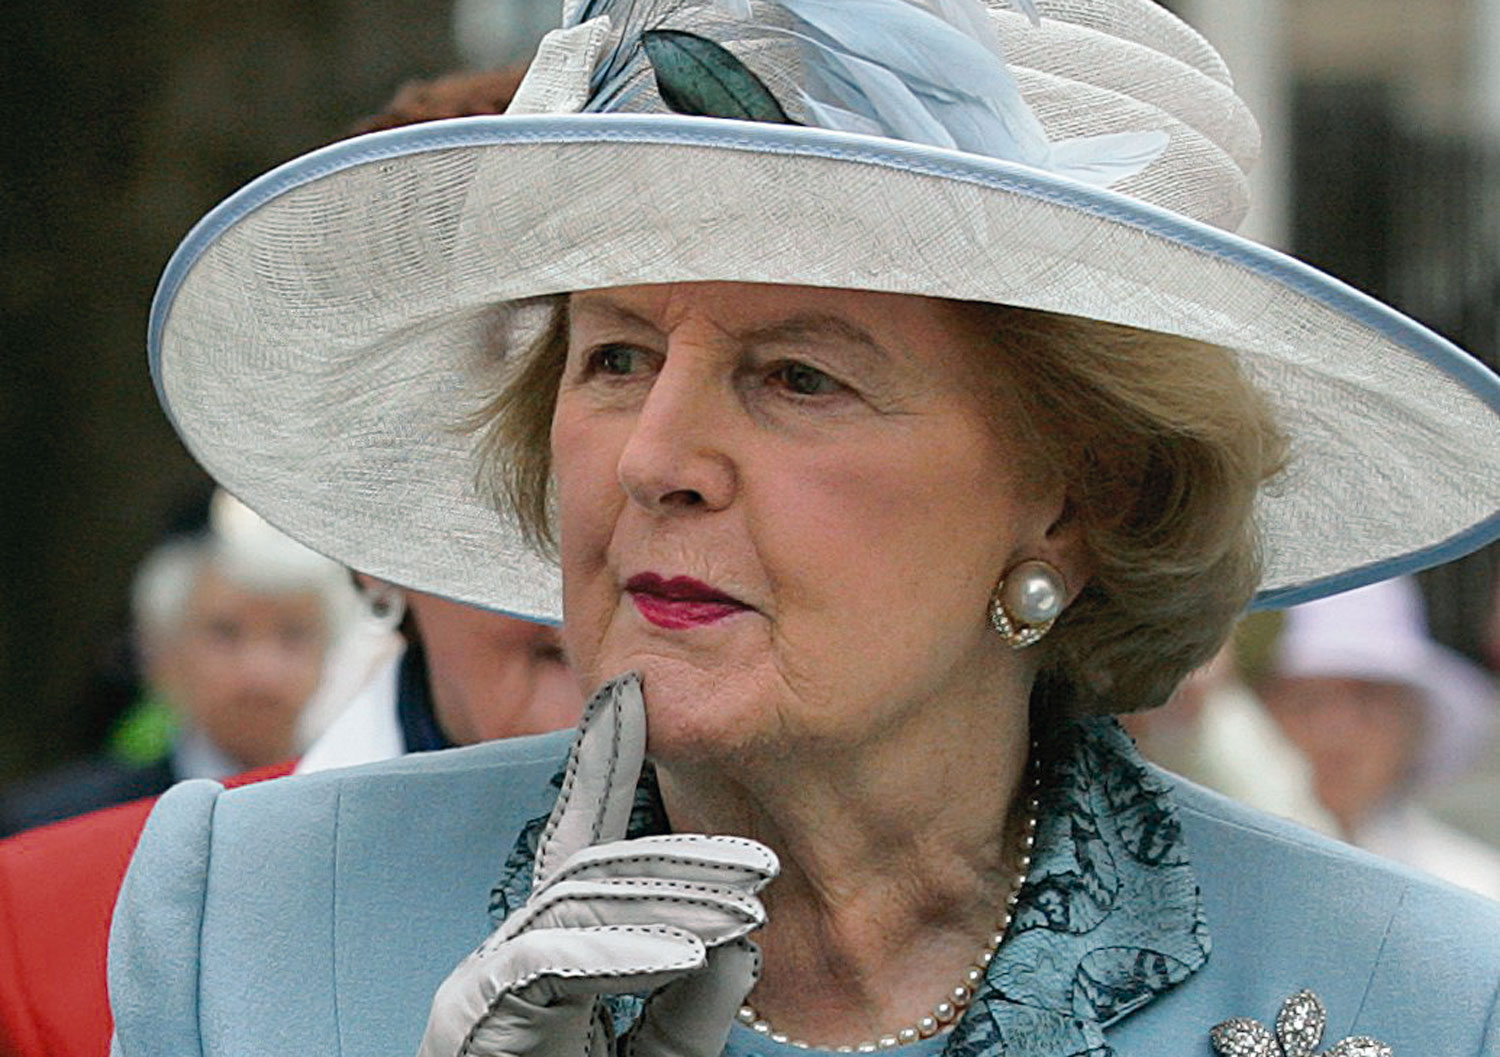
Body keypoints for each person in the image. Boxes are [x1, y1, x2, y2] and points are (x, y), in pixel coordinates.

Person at [109, 1, 1500, 1055]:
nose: (657, 459)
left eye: (797, 376)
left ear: (1079, 496)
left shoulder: (1417, 991)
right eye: (615, 358)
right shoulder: (255, 921)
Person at [0, 491, 357, 836]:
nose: (260, 671)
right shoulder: (58, 828)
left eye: (293, 635)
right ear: (162, 653)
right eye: (225, 634)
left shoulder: (367, 819)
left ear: (331, 655)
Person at [1261, 576, 1500, 900]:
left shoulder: (1475, 893)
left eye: (1369, 699)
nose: (1338, 730)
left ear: (1413, 723)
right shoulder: (1196, 868)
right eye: (1307, 700)